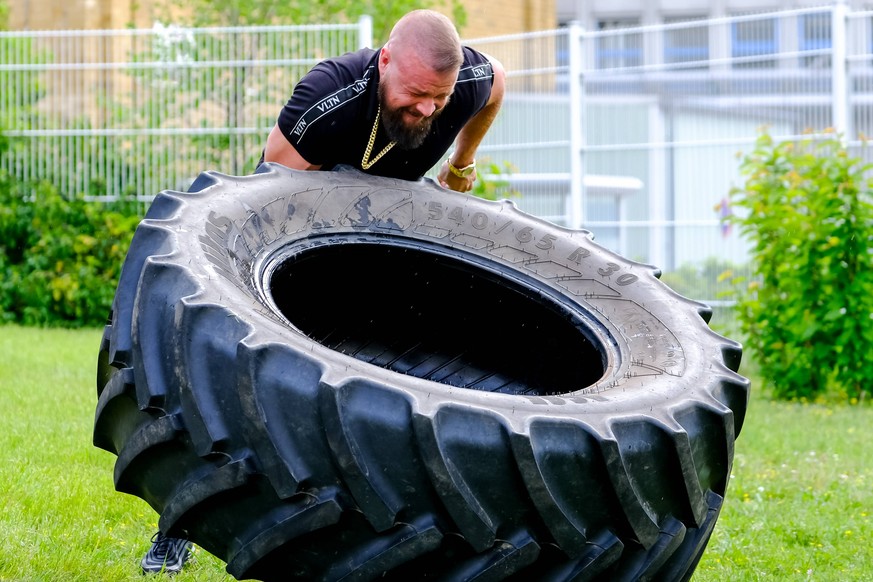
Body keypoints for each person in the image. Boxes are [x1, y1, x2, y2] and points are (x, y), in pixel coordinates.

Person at [139, 8, 504, 574]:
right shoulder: (327, 100)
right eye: (416, 93)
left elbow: (496, 85)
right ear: (385, 60)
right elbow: (262, 203)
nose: (429, 108)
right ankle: (177, 522)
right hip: (303, 243)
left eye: (440, 96)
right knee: (239, 387)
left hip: (390, 239)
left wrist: (462, 163)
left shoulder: (467, 84)